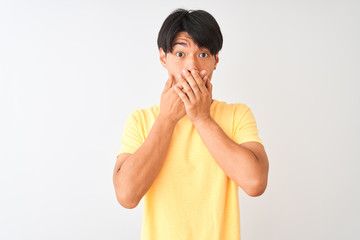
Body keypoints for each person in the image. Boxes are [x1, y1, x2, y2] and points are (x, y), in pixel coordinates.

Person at [113, 8, 269, 240]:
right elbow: (126, 196)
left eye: (203, 54)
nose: (192, 66)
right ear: (163, 58)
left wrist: (202, 118)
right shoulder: (141, 120)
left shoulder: (237, 114)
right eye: (180, 53)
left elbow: (255, 183)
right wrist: (166, 119)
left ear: (216, 60)